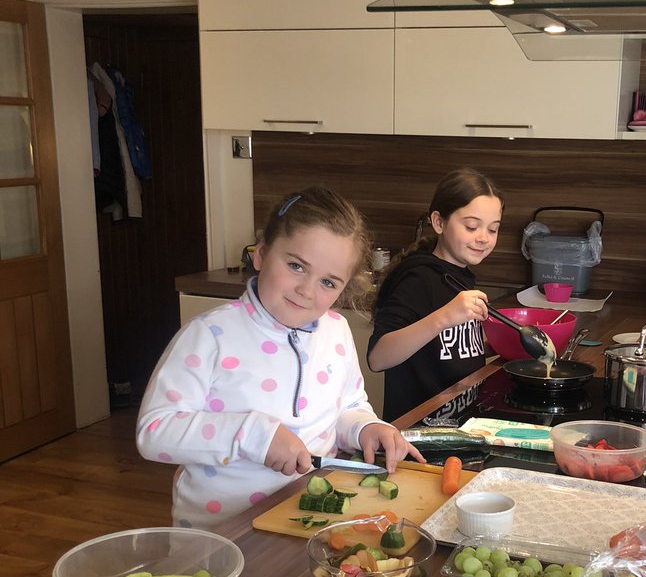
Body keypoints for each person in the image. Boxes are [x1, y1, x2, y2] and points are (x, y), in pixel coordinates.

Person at [137, 187, 423, 528]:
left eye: (328, 282)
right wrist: (252, 434)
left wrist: (365, 427)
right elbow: (154, 432)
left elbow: (348, 405)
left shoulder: (336, 330)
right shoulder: (210, 336)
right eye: (296, 266)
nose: (307, 290)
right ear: (261, 254)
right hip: (222, 532)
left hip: (311, 518)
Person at [367, 168, 504, 422]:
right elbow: (378, 357)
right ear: (439, 222)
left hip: (461, 423)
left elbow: (448, 352)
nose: (484, 238)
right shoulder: (418, 279)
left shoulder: (463, 276)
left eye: (493, 229)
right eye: (472, 226)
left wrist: (500, 344)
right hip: (418, 432)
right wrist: (445, 317)